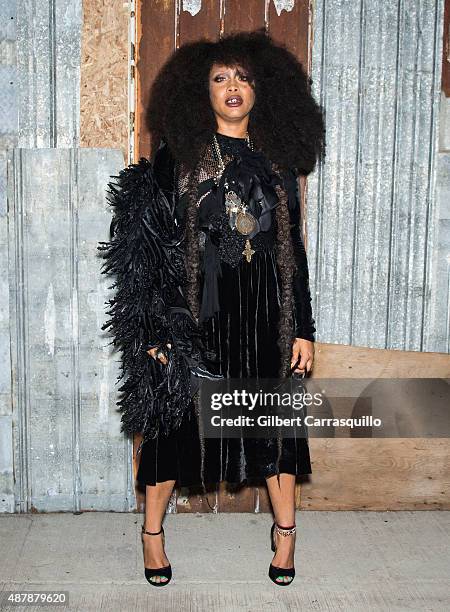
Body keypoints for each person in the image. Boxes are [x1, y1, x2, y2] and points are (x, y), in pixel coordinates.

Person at [98, 28, 325, 587]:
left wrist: (304, 328)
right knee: (173, 429)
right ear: (200, 92)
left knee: (273, 429)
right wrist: (151, 326)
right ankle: (152, 535)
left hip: (266, 319)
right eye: (219, 78)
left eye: (242, 78)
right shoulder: (177, 158)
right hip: (194, 319)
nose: (232, 88)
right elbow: (144, 249)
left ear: (261, 89)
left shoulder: (278, 162)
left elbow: (292, 250)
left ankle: (287, 535)